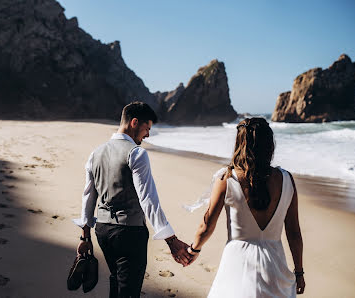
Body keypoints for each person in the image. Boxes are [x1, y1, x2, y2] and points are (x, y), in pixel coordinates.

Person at [73, 101, 191, 298]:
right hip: (129, 234)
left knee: (116, 281)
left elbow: (88, 196)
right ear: (134, 122)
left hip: (103, 231)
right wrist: (171, 240)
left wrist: (85, 235)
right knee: (128, 291)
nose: (148, 135)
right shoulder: (136, 153)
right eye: (147, 128)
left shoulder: (95, 153)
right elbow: (148, 200)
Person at [186, 117, 305, 297]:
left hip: (237, 265)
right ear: (269, 144)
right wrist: (299, 272)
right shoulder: (287, 180)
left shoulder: (227, 179)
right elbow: (294, 232)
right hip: (275, 267)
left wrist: (193, 250)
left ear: (239, 143)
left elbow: (207, 226)